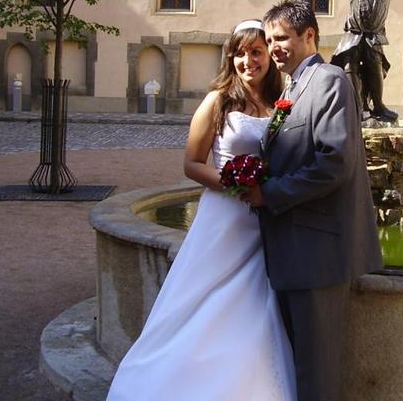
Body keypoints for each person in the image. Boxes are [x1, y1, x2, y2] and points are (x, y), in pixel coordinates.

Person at [106, 20, 297, 401]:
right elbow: (192, 164)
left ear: (268, 56)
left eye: (256, 52)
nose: (248, 61)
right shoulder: (218, 100)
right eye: (240, 53)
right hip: (225, 219)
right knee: (206, 297)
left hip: (265, 218)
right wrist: (233, 183)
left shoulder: (281, 101)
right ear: (230, 57)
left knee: (255, 303)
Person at [243, 0, 383, 401]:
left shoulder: (329, 80)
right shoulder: (294, 86)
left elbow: (334, 163)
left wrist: (268, 193)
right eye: (270, 40)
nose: (274, 48)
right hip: (294, 250)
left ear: (310, 36)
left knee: (316, 371)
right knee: (299, 364)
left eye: (282, 38)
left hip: (316, 254)